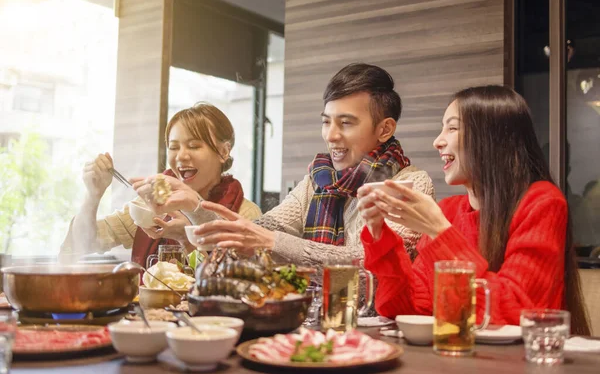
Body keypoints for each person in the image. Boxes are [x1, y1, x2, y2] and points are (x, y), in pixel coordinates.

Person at [133, 63, 434, 272]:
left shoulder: (411, 185)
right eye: (326, 121)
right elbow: (255, 235)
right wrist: (193, 203)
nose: (331, 135)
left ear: (384, 129)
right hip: (307, 319)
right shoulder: (317, 180)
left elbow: (368, 263)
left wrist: (270, 242)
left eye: (346, 123)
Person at [357, 85, 590, 334]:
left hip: (522, 366)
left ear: (492, 138)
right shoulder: (448, 210)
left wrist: (440, 233)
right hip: (458, 359)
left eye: (452, 127)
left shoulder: (542, 202)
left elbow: (516, 313)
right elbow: (409, 308)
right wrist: (379, 235)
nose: (438, 141)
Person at [61, 103, 261, 267]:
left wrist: (187, 240)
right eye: (173, 147)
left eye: (194, 146)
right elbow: (83, 243)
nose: (181, 156)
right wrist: (93, 196)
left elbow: (244, 281)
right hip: (150, 314)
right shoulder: (150, 204)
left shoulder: (245, 214)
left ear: (224, 152)